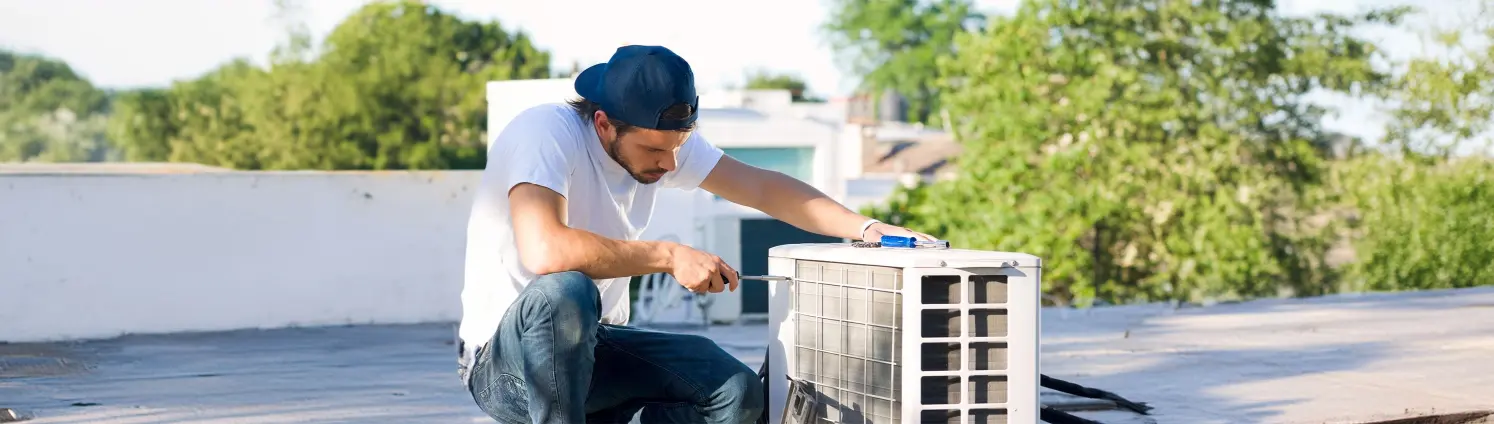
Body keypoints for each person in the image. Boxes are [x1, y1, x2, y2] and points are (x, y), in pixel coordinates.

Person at [457, 45, 935, 424]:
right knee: (565, 289)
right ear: (603, 124)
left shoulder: (663, 140)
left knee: (736, 391)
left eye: (677, 148)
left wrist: (868, 228)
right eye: (654, 151)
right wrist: (669, 256)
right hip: (506, 366)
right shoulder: (545, 132)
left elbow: (762, 186)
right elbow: (546, 250)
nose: (669, 165)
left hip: (597, 350)